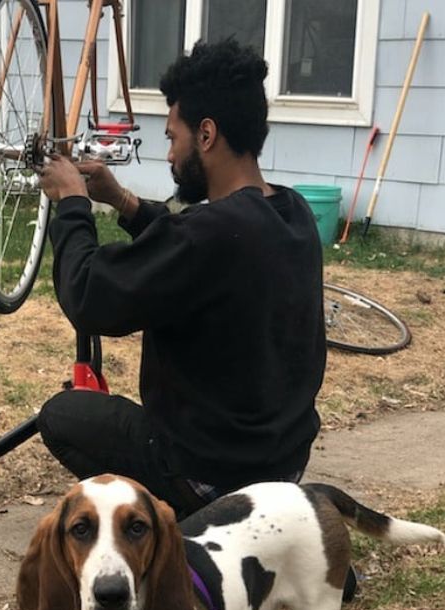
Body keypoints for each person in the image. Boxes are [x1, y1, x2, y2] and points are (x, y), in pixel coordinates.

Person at [35, 39, 326, 520]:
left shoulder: (209, 233)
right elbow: (195, 253)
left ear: (207, 134)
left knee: (65, 415)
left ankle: (190, 525)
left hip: (209, 472)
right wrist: (124, 201)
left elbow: (89, 295)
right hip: (282, 466)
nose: (169, 155)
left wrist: (71, 204)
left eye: (173, 137)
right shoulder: (289, 212)